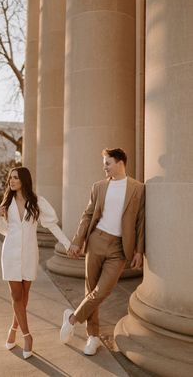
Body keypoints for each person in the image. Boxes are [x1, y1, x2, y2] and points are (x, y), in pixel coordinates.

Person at [60, 148, 145, 355]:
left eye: (108, 163)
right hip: (96, 240)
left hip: (119, 248)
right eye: (104, 163)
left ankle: (72, 319)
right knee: (90, 290)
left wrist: (138, 250)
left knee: (103, 290)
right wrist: (77, 241)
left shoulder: (138, 188)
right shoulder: (98, 187)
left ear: (120, 162)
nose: (104, 167)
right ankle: (93, 336)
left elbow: (141, 222)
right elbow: (87, 215)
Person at [0, 166, 71, 359]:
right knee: (16, 295)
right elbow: (5, 231)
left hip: (29, 254)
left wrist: (68, 244)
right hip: (10, 254)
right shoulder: (7, 203)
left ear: (24, 181)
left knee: (25, 295)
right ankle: (27, 336)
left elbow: (51, 225)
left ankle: (13, 327)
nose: (11, 181)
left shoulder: (37, 202)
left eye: (15, 178)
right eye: (10, 178)